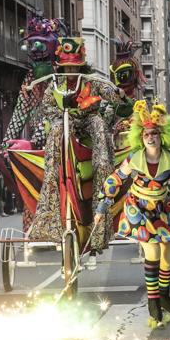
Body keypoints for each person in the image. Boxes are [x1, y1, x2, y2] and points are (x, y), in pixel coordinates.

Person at [94, 100, 170, 328]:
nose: (150, 137)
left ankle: (164, 294)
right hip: (139, 207)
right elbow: (115, 180)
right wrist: (102, 205)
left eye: (154, 133)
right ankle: (153, 300)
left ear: (162, 135)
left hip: (163, 207)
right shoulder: (134, 159)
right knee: (152, 251)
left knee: (168, 253)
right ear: (141, 136)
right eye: (146, 133)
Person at [28, 36, 125, 264]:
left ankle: (103, 173)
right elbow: (48, 109)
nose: (71, 71)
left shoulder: (90, 81)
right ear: (61, 67)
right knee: (56, 131)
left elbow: (109, 91)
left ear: (82, 66)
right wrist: (64, 117)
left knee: (100, 126)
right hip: (65, 123)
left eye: (75, 67)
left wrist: (118, 94)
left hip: (89, 121)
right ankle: (53, 180)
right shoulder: (54, 85)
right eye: (67, 67)